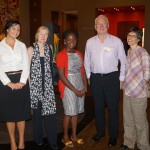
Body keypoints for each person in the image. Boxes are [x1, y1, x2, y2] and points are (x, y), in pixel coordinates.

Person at [84, 15, 126, 146]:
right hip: (96, 79)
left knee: (113, 108)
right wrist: (89, 76)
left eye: (104, 24)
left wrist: (121, 79)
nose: (101, 26)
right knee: (98, 108)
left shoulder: (116, 41)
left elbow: (124, 61)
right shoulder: (90, 42)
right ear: (95, 27)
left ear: (108, 25)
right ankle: (100, 132)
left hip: (112, 79)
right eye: (98, 24)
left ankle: (113, 136)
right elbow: (86, 61)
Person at [0, 20, 31, 150]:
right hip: (5, 82)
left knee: (21, 113)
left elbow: (25, 65)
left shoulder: (22, 45)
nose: (16, 32)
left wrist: (23, 81)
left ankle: (22, 141)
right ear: (7, 29)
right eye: (13, 29)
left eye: (18, 30)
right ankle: (12, 142)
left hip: (21, 80)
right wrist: (9, 83)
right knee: (10, 114)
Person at [28, 26, 59, 150]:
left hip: (47, 86)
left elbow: (52, 65)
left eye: (46, 34)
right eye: (41, 33)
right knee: (37, 115)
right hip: (35, 87)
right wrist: (30, 87)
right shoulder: (30, 49)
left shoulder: (50, 48)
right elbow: (27, 70)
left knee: (50, 113)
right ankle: (38, 138)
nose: (43, 36)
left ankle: (52, 141)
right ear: (37, 34)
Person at [56, 30, 87, 147]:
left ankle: (74, 135)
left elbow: (82, 71)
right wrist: (75, 90)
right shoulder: (61, 55)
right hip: (68, 86)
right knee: (69, 113)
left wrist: (84, 86)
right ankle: (65, 137)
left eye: (74, 39)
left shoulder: (79, 53)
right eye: (68, 39)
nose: (71, 41)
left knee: (76, 113)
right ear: (64, 41)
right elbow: (62, 77)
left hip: (79, 84)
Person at [121, 27, 150, 150]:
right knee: (128, 120)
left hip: (138, 93)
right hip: (127, 92)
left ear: (138, 38)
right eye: (128, 35)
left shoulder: (142, 52)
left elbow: (147, 73)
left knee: (140, 122)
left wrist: (141, 87)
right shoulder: (128, 52)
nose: (129, 37)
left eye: (132, 35)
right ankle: (129, 143)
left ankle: (143, 146)